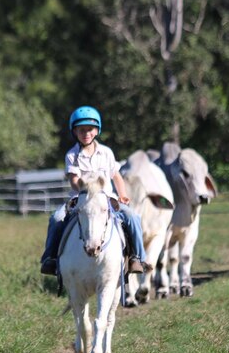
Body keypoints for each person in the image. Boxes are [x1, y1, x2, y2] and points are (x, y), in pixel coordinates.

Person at [40, 106, 150, 276]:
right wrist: (85, 193)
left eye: (90, 129)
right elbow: (73, 179)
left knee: (132, 216)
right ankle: (51, 259)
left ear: (97, 130)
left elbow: (116, 176)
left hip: (106, 200)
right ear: (74, 131)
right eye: (81, 130)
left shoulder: (106, 153)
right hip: (82, 199)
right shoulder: (72, 156)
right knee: (56, 218)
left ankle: (138, 258)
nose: (86, 133)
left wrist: (122, 195)